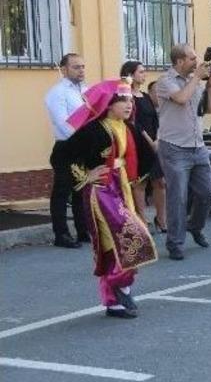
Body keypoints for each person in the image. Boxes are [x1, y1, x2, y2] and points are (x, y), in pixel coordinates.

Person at [60, 79, 158, 318]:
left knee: (121, 240)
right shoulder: (93, 129)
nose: (128, 104)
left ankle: (117, 294)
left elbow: (146, 156)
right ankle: (117, 285)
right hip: (101, 190)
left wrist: (136, 179)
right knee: (130, 237)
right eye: (122, 100)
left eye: (129, 100)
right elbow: (61, 156)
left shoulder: (129, 128)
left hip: (122, 185)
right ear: (108, 104)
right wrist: (86, 175)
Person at [155, 44, 211, 261]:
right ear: (180, 61)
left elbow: (207, 109)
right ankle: (175, 242)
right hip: (174, 147)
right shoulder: (165, 82)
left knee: (207, 192)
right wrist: (196, 79)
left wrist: (209, 87)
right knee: (178, 197)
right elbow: (181, 99)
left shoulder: (195, 83)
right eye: (192, 59)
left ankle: (195, 225)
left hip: (197, 146)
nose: (197, 62)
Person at [45, 53, 89, 248]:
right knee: (62, 192)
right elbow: (64, 125)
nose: (81, 70)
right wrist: (85, 119)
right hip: (66, 146)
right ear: (64, 69)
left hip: (83, 147)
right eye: (76, 67)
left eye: (82, 67)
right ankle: (61, 234)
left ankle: (82, 231)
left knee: (81, 190)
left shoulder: (85, 90)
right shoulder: (57, 93)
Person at [120, 61, 167, 233]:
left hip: (154, 144)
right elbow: (134, 123)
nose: (144, 74)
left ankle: (161, 219)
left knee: (160, 182)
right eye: (141, 71)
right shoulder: (127, 96)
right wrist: (150, 140)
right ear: (130, 74)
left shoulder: (146, 96)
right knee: (140, 183)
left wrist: (158, 138)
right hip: (138, 143)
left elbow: (156, 119)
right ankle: (142, 220)